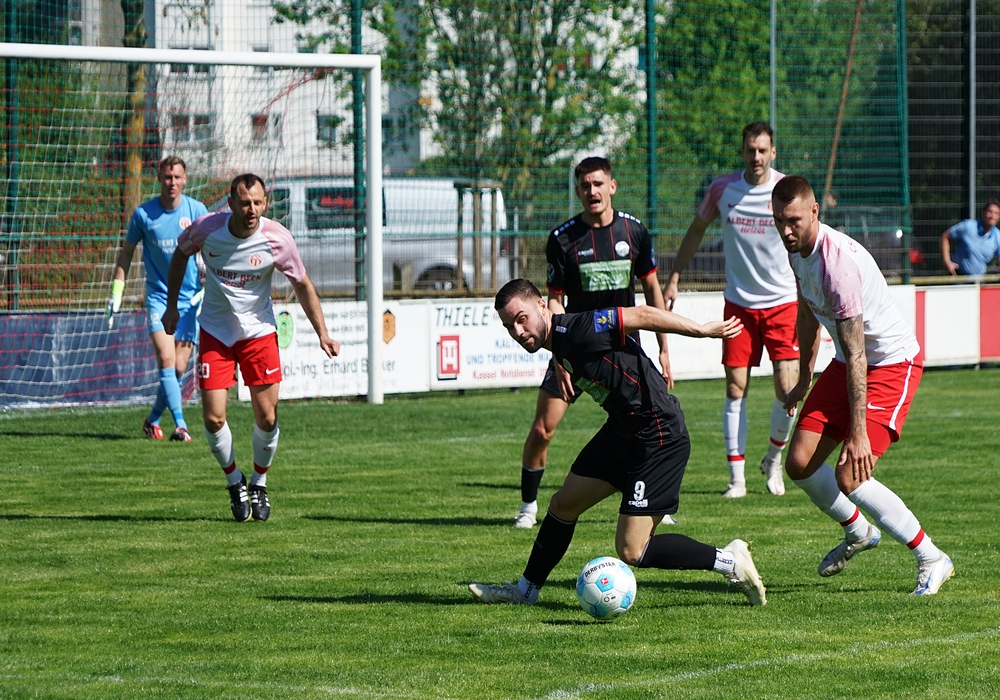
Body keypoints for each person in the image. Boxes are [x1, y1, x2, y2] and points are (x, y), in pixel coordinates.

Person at [469, 279, 767, 607]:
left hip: (657, 434)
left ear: (542, 305)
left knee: (632, 550)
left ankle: (730, 561)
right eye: (509, 326)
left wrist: (701, 330)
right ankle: (525, 591)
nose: (517, 331)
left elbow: (641, 314)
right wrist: (558, 360)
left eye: (521, 318)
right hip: (623, 430)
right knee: (563, 505)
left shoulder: (578, 328)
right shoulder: (559, 342)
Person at [774, 175, 954, 596]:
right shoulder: (796, 251)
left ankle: (932, 557)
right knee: (798, 463)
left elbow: (858, 353)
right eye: (779, 221)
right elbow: (807, 315)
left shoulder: (838, 266)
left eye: (794, 220)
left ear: (814, 212)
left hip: (890, 364)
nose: (786, 230)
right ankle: (858, 531)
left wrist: (857, 434)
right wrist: (804, 378)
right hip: (847, 363)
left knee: (850, 476)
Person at [163, 173, 340, 522]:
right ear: (230, 204)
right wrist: (171, 306)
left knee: (267, 417)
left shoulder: (277, 239)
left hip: (258, 332)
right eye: (245, 203)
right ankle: (234, 481)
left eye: (258, 203)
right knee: (213, 417)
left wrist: (323, 333)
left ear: (266, 204)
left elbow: (302, 284)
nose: (252, 210)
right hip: (216, 330)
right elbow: (180, 255)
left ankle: (259, 482)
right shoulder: (207, 229)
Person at [515, 156, 673, 530]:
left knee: (646, 425)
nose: (592, 191)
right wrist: (559, 358)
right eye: (585, 185)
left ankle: (653, 500)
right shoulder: (562, 239)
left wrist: (664, 349)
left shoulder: (634, 231)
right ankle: (527, 506)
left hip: (623, 353)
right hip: (573, 349)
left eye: (598, 183)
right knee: (543, 428)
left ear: (612, 186)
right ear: (578, 191)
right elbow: (553, 302)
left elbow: (652, 290)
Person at [664, 121, 798, 499]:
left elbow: (807, 238)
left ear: (773, 153)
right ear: (742, 152)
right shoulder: (722, 189)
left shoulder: (786, 190)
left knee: (788, 390)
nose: (756, 156)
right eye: (750, 150)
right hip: (739, 305)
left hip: (784, 303)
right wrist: (674, 277)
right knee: (736, 388)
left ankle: (773, 460)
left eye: (762, 150)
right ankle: (736, 479)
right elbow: (696, 230)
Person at [106, 155, 208, 442]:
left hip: (190, 300)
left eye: (177, 177)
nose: (171, 182)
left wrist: (210, 278)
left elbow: (212, 249)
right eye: (167, 177)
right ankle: (180, 425)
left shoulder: (197, 211)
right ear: (159, 179)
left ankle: (152, 420)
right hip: (159, 298)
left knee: (178, 367)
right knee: (166, 358)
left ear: (185, 180)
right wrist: (117, 290)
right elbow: (126, 252)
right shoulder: (143, 214)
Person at [940, 198, 1000, 278]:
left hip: (979, 281)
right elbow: (945, 237)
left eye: (996, 213)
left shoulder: (997, 236)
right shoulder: (968, 226)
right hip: (958, 278)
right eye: (990, 212)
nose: (992, 216)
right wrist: (947, 262)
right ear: (983, 212)